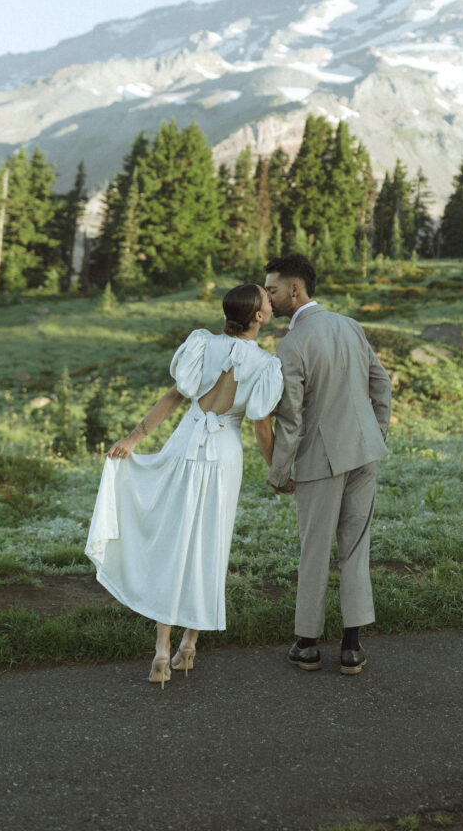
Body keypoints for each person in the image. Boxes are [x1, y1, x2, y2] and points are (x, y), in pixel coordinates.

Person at [85, 284, 282, 687]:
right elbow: (262, 426)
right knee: (210, 544)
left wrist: (135, 438)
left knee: (175, 542)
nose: (271, 301)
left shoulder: (202, 344)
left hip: (184, 443)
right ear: (258, 317)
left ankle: (161, 651)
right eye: (267, 299)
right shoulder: (265, 365)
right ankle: (189, 646)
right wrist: (276, 470)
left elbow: (175, 396)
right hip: (223, 456)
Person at [264, 254, 392, 675]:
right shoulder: (349, 324)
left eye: (273, 289)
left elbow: (290, 417)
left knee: (314, 551)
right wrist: (377, 432)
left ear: (295, 289)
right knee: (356, 548)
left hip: (321, 459)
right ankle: (352, 647)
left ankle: (307, 644)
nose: (269, 296)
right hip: (364, 452)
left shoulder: (292, 344)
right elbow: (381, 381)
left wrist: (279, 471)